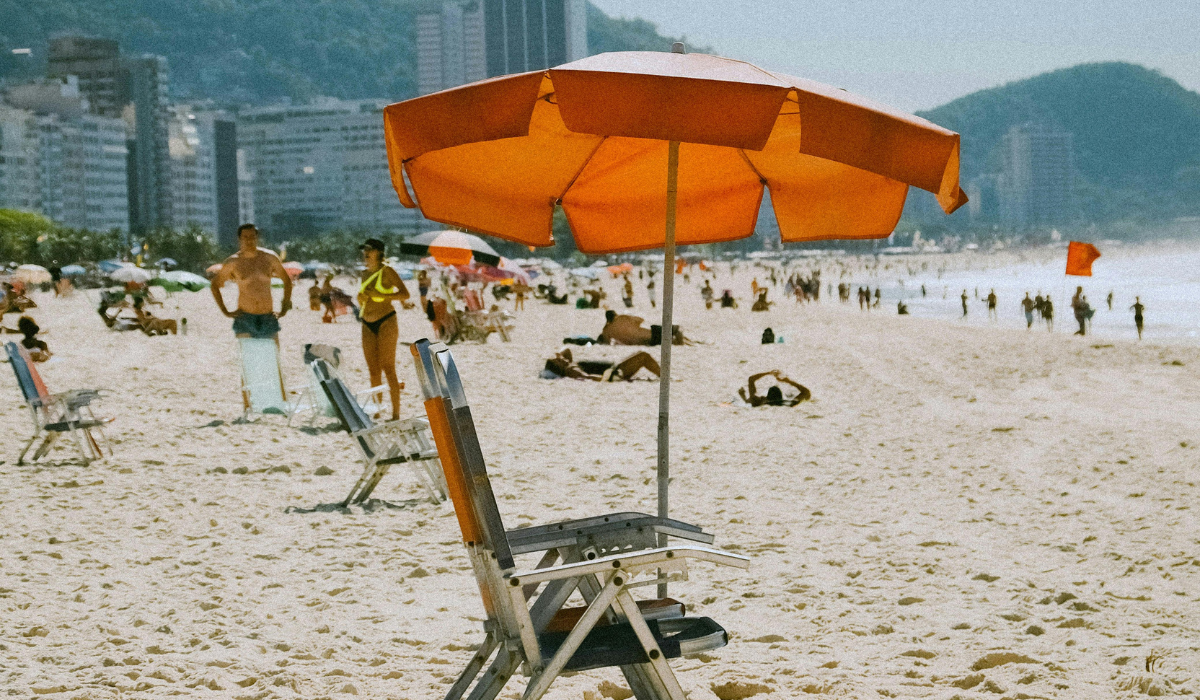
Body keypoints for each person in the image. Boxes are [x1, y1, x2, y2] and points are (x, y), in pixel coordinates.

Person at [357, 238, 410, 421]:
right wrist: (361, 299)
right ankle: (377, 410)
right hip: (367, 322)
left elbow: (405, 294)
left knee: (388, 368)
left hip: (387, 320)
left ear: (379, 253)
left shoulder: (387, 272)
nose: (365, 253)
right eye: (364, 250)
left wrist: (381, 295)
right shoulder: (363, 274)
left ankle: (395, 414)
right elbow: (363, 300)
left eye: (369, 250)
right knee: (373, 371)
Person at [211, 224, 292, 339]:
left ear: (257, 237)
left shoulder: (270, 258)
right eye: (245, 237)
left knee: (272, 356)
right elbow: (215, 285)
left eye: (252, 236)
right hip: (244, 317)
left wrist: (284, 308)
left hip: (268, 316)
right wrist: (225, 311)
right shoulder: (233, 262)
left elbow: (287, 281)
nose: (249, 240)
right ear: (239, 239)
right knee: (247, 356)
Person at [542, 347, 661, 381]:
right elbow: (586, 377)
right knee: (643, 356)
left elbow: (567, 350)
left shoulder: (568, 364)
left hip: (615, 367)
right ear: (559, 368)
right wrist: (610, 378)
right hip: (615, 372)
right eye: (559, 361)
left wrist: (558, 356)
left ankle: (663, 375)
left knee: (639, 353)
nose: (562, 359)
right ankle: (664, 377)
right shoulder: (571, 369)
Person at [738, 370, 811, 407]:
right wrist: (787, 380)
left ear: (766, 397)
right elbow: (806, 392)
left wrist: (769, 373)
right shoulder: (790, 403)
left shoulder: (759, 402)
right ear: (781, 396)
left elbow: (751, 379)